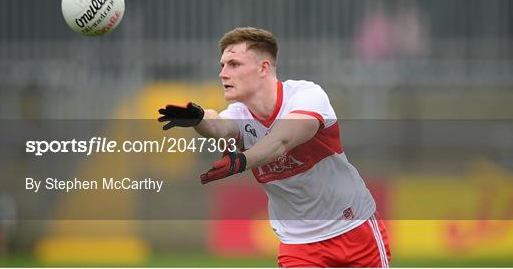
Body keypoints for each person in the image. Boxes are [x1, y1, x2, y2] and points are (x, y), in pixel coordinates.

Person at [158, 27, 391, 267]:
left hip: (353, 228)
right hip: (298, 244)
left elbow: (281, 141)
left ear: (263, 68)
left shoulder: (307, 95)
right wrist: (199, 118)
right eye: (222, 65)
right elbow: (219, 127)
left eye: (234, 64)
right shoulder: (240, 114)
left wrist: (241, 161)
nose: (223, 73)